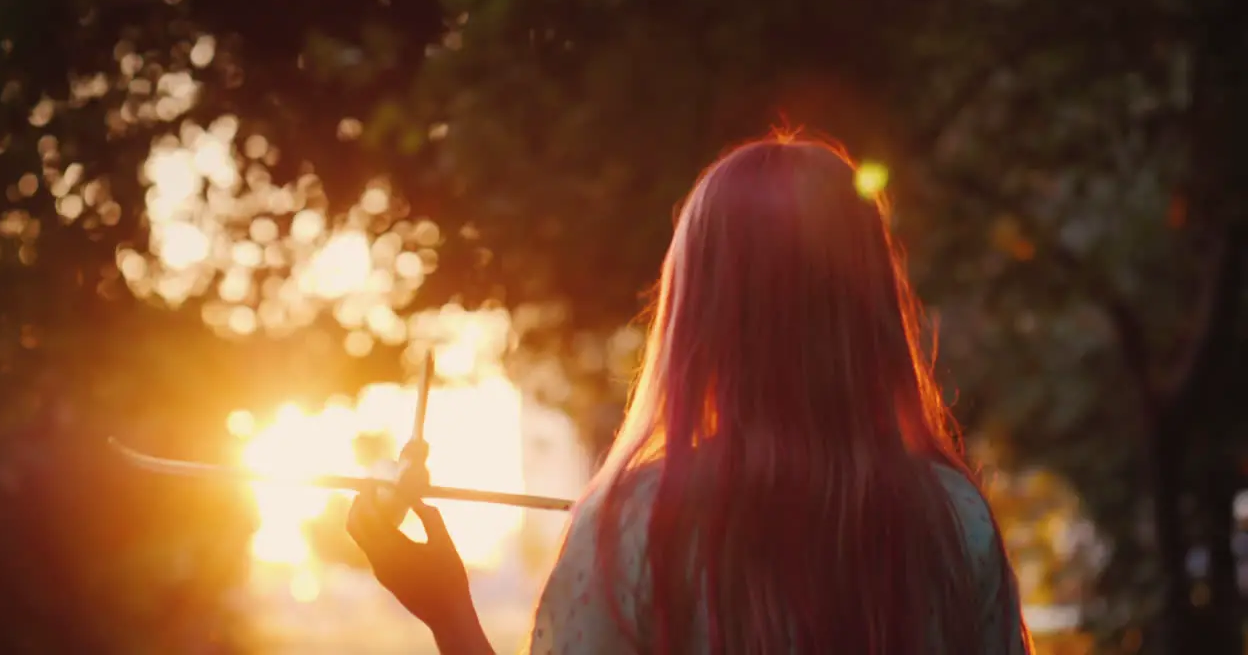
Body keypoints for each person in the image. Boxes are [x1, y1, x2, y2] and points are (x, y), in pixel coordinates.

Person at [347, 136, 1034, 654]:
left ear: (698, 313)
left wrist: (449, 612)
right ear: (871, 309)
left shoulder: (631, 533)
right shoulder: (954, 521)